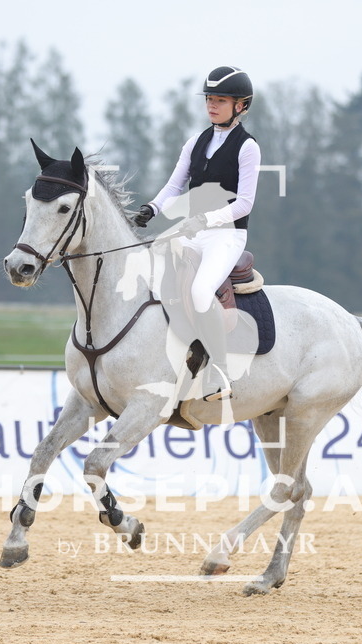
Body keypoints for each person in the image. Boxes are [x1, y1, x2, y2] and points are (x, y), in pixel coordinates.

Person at [133, 66, 261, 402]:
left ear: (241, 106)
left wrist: (205, 219)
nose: (212, 105)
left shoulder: (247, 148)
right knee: (151, 273)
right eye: (209, 99)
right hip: (193, 231)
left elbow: (245, 204)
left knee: (202, 290)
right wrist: (152, 209)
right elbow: (175, 184)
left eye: (220, 100)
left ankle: (219, 372)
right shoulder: (196, 141)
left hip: (227, 235)